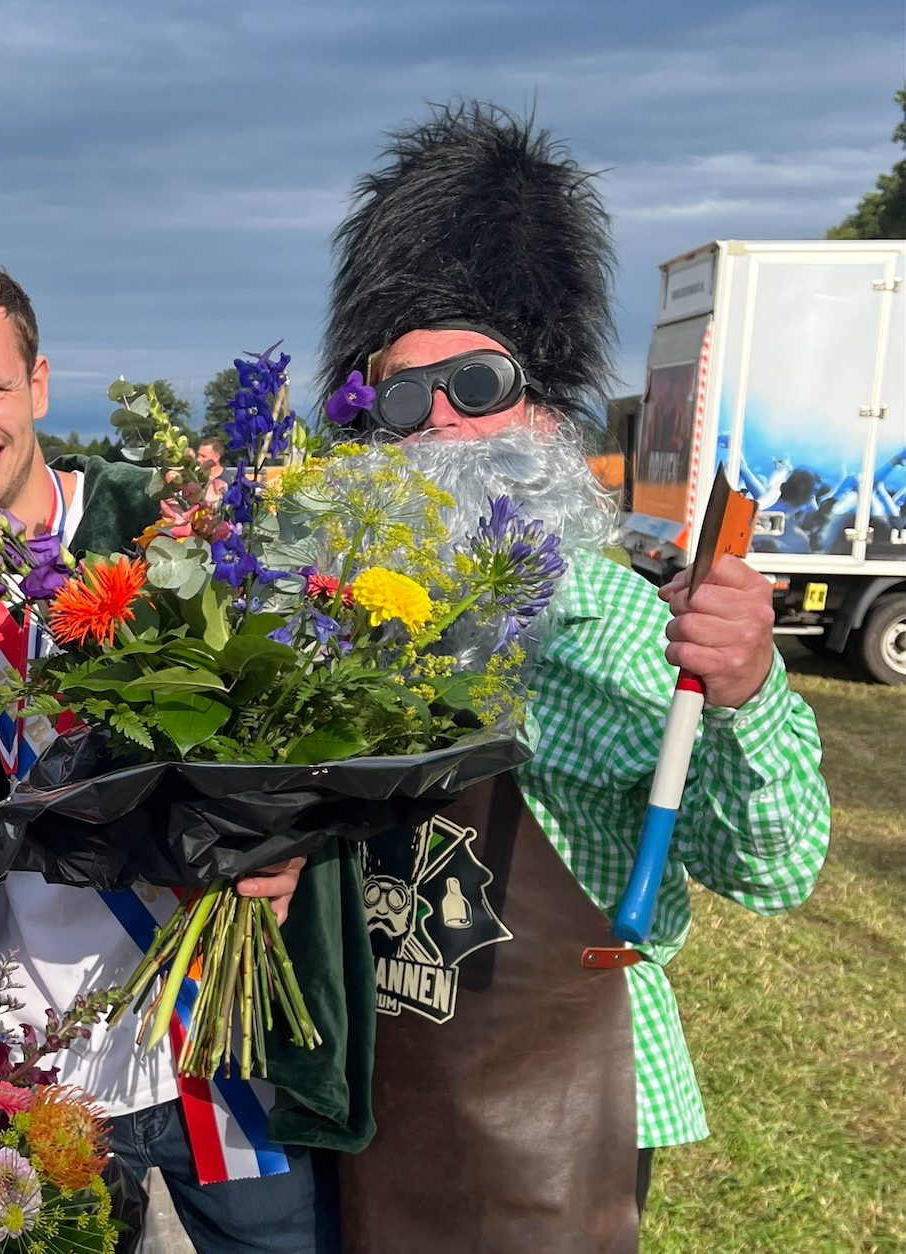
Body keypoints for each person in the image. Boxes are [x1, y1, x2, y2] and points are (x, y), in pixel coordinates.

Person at [316, 102, 831, 1253]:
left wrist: (746, 694)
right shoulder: (355, 623)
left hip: (562, 1114)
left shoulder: (605, 624)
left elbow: (777, 865)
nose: (442, 422)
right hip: (393, 1096)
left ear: (545, 405)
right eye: (403, 398)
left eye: (479, 382)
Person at [0, 257, 369, 1254]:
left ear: (40, 384)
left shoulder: (167, 528)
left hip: (218, 1053)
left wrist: (290, 853)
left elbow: (303, 738)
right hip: (24, 1085)